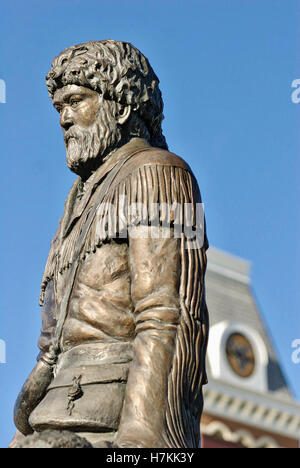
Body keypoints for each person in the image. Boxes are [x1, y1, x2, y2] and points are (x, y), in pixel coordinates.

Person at [12, 40, 209, 448]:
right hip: (48, 419)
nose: (64, 118)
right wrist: (23, 425)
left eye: (77, 101)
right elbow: (52, 344)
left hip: (110, 423)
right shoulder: (76, 200)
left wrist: (141, 445)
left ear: (120, 107)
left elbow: (166, 319)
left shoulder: (157, 172)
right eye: (58, 108)